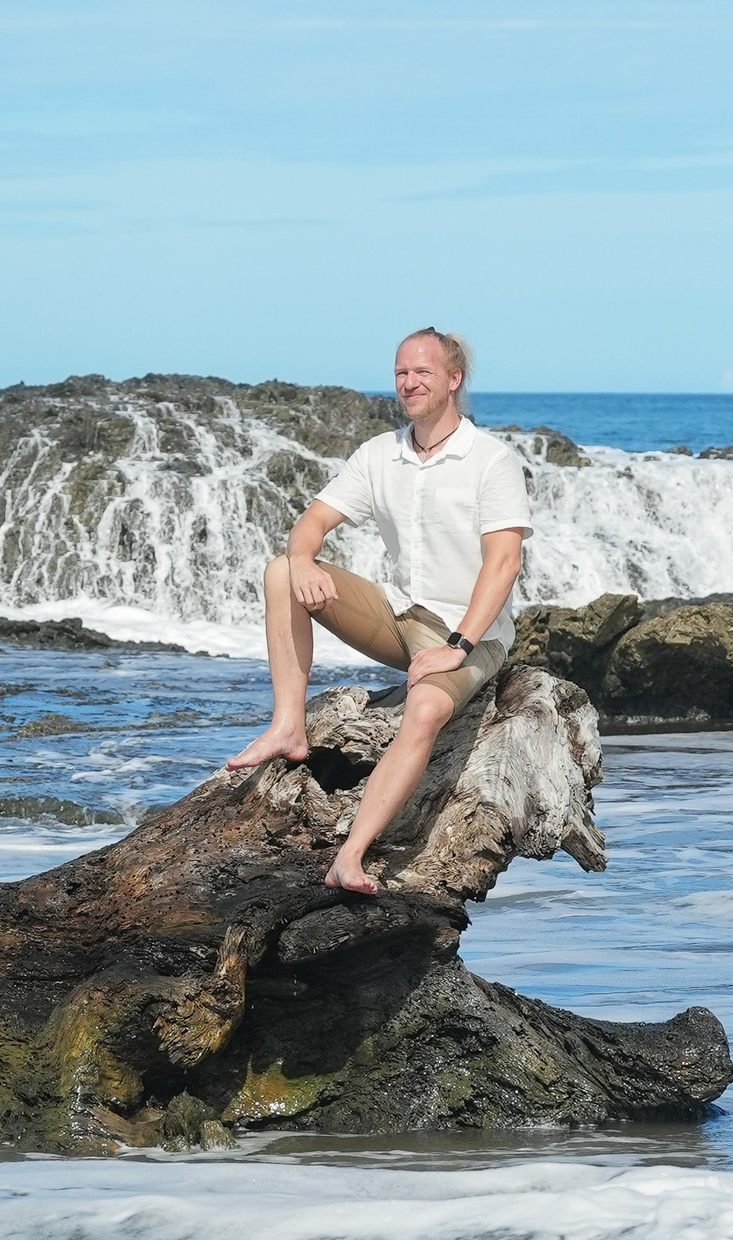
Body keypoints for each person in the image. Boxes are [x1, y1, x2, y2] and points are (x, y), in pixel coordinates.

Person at [226, 328, 530, 893]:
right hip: (398, 616)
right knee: (279, 572)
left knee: (422, 713)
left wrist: (458, 645)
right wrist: (304, 559)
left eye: (423, 373)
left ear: (453, 380)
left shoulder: (491, 460)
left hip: (470, 634)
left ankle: (351, 855)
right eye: (401, 374)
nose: (409, 383)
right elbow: (311, 522)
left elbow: (504, 563)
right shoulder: (379, 454)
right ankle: (288, 725)